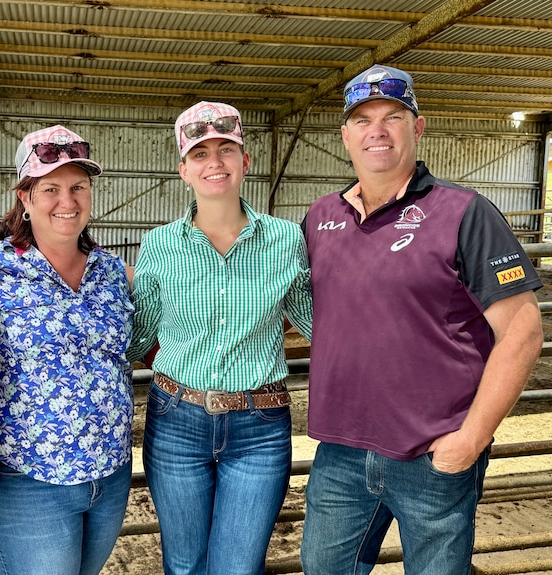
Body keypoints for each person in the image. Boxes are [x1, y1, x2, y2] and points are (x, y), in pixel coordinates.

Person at [300, 64, 544, 575]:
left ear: (418, 126)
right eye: (363, 120)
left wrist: (472, 439)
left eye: (393, 116)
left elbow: (522, 332)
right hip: (340, 453)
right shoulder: (321, 216)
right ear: (346, 135)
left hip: (434, 455)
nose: (378, 131)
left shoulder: (465, 212)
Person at [128, 101, 314, 575]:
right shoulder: (160, 244)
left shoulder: (287, 240)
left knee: (239, 566)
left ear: (245, 161)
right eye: (200, 153)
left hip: (259, 425)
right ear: (183, 170)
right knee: (185, 564)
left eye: (226, 149)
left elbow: (320, 326)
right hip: (176, 419)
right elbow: (140, 335)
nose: (215, 163)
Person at [0, 125, 134, 575]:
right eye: (51, 188)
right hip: (27, 478)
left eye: (78, 186)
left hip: (110, 474)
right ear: (24, 197)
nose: (68, 201)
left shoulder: (112, 271)